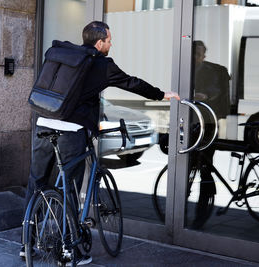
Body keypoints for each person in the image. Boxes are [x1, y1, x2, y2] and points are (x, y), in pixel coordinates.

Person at [20, 21, 179, 265]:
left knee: (37, 181)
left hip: (44, 122)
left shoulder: (65, 56)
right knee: (70, 188)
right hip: (72, 130)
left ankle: (26, 244)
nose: (111, 43)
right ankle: (70, 250)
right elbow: (131, 82)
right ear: (99, 42)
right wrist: (161, 94)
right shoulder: (101, 64)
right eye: (109, 40)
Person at [189, 40, 230, 229]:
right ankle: (178, 212)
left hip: (207, 123)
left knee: (205, 168)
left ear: (203, 56)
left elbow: (215, 89)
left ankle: (201, 216)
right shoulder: (185, 69)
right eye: (194, 54)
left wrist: (204, 95)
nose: (196, 57)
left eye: (199, 54)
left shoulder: (210, 72)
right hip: (189, 122)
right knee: (187, 167)